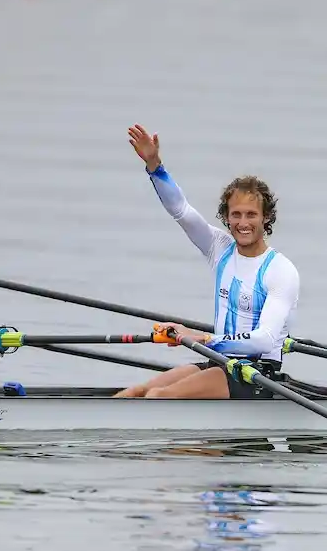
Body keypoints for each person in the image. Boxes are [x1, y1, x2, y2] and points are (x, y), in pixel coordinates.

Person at [115, 124, 300, 399]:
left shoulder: (280, 270)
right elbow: (181, 211)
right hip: (220, 364)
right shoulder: (220, 248)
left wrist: (201, 338)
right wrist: (154, 165)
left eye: (251, 215)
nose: (243, 223)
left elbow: (265, 339)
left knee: (158, 397)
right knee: (138, 391)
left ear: (266, 218)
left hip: (257, 376)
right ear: (227, 218)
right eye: (236, 215)